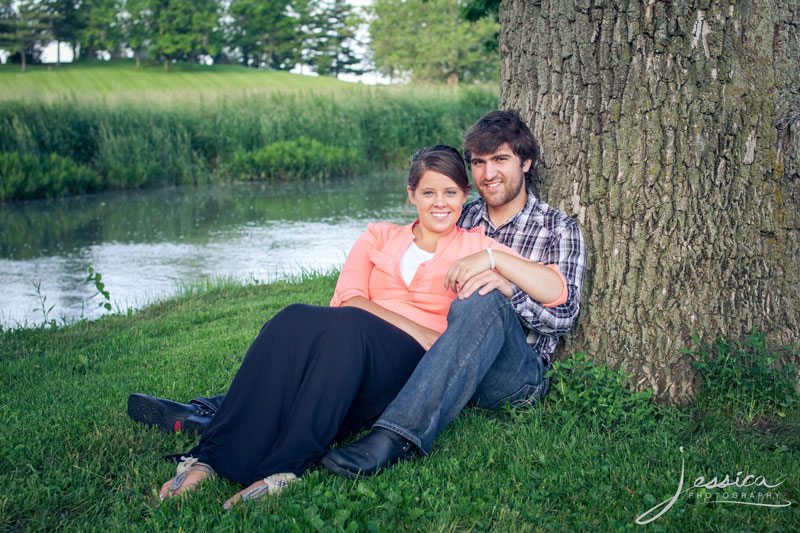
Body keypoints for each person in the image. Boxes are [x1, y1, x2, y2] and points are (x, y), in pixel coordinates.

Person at [143, 144, 566, 509]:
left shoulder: (477, 244)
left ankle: (283, 470)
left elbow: (556, 290)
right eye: (429, 192)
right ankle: (210, 459)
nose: (441, 203)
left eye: (451, 192)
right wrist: (418, 331)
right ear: (411, 195)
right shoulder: (378, 236)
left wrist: (496, 262)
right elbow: (346, 298)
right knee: (292, 318)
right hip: (369, 339)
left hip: (411, 367)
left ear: (464, 196)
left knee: (348, 331)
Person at [319, 110, 586, 478]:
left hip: (512, 374)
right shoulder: (461, 214)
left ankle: (395, 438)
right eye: (479, 162)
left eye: (500, 160)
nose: (488, 173)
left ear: (526, 163)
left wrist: (504, 281)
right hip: (447, 362)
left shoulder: (558, 228)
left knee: (485, 296)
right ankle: (265, 405)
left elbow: (564, 315)